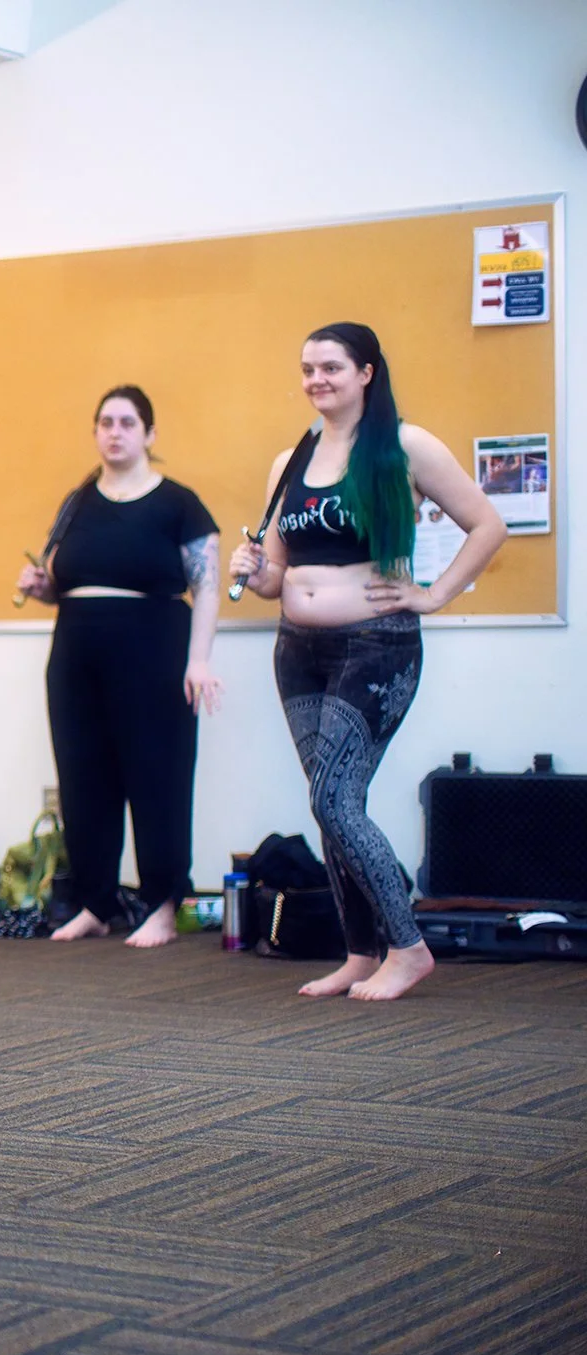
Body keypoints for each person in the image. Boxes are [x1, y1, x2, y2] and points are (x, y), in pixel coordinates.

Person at [230, 322, 503, 1001]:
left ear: (365, 373)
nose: (315, 380)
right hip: (298, 652)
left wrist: (433, 594)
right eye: (307, 369)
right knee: (333, 808)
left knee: (333, 799)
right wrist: (255, 571)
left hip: (377, 646)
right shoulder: (291, 459)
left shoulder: (406, 447)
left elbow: (488, 525)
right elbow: (275, 577)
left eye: (330, 367)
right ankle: (358, 954)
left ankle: (408, 949)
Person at [17, 386, 221, 948]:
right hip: (76, 653)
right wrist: (40, 588)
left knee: (158, 775)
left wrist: (199, 661)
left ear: (149, 434)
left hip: (154, 652)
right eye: (105, 422)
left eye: (128, 422)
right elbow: (63, 584)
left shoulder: (179, 503)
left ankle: (163, 902)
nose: (115, 432)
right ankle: (95, 902)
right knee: (83, 775)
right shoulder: (78, 502)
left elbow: (206, 587)